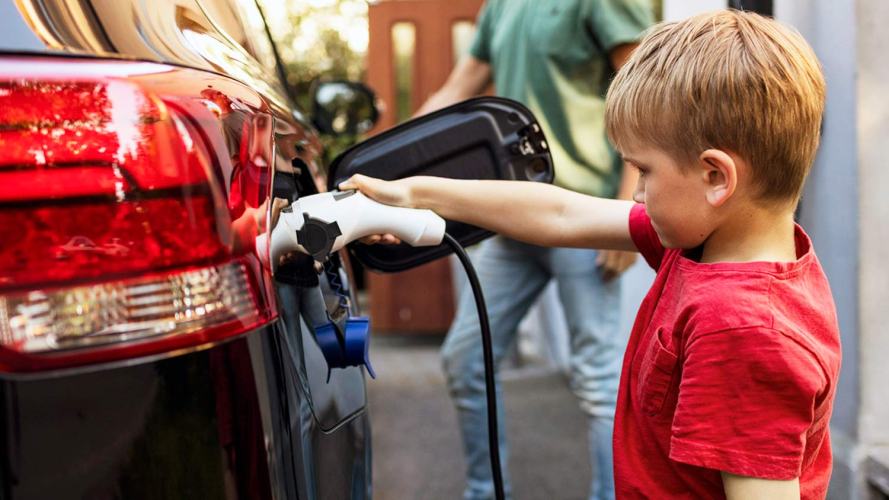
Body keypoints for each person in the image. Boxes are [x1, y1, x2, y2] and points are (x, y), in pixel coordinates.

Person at [343, 9, 840, 499]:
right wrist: (416, 194)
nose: (637, 193)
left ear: (715, 177)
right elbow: (561, 212)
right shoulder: (711, 243)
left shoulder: (744, 332)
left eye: (644, 171)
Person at [412, 2, 655, 499]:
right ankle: (485, 493)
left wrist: (631, 206)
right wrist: (387, 163)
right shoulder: (501, 5)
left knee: (598, 381)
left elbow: (644, 93)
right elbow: (457, 90)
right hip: (517, 216)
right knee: (466, 360)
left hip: (585, 217)